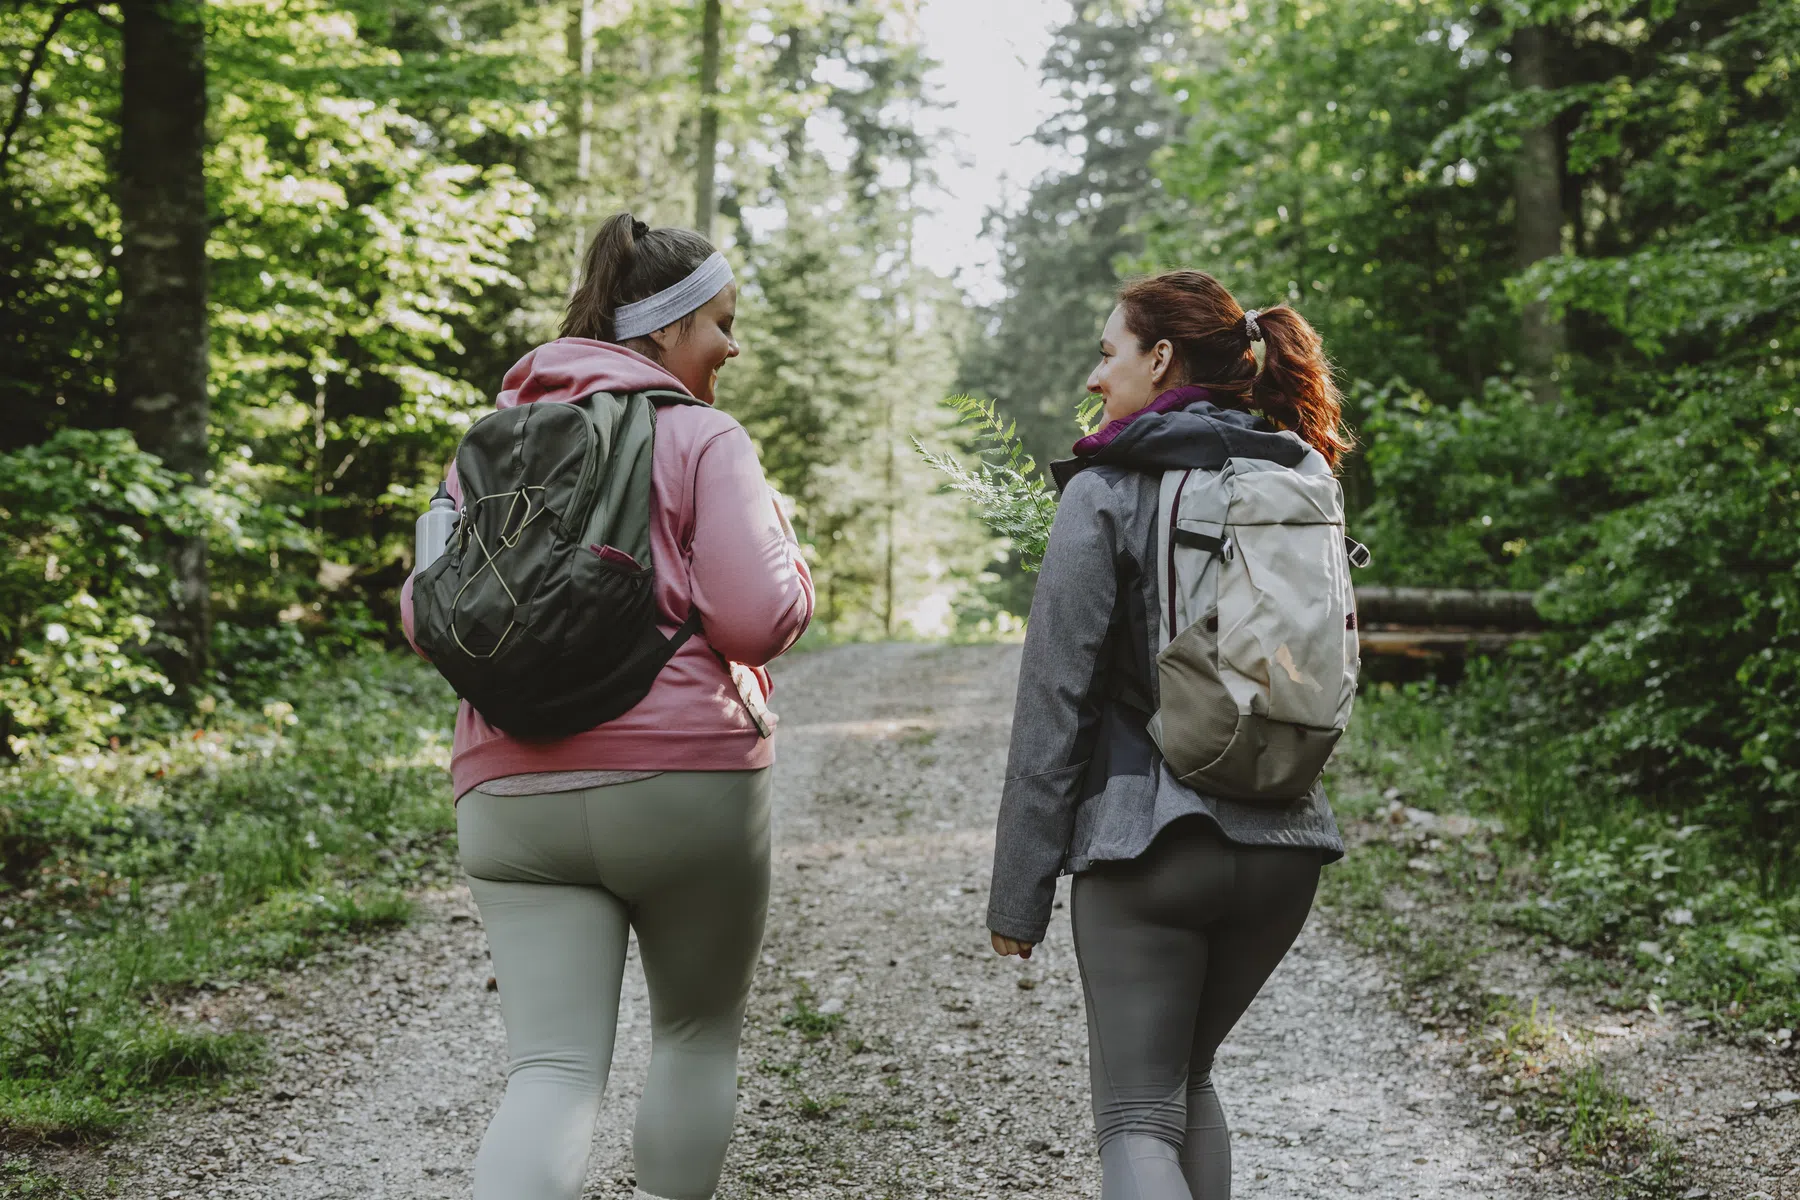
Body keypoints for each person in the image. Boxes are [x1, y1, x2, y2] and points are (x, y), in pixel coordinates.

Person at [400, 212, 814, 1200]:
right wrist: (791, 563)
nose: (732, 344)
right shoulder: (704, 436)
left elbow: (428, 615)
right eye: (719, 321)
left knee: (547, 1071)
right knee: (695, 1038)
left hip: (508, 793)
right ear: (666, 332)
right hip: (685, 782)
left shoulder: (492, 447)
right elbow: (757, 620)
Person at [985, 270, 1351, 1200]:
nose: (1096, 376)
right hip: (1285, 846)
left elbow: (1053, 701)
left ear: (1161, 358)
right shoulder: (1295, 473)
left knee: (1138, 1119)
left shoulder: (1107, 487)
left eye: (1108, 353)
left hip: (1148, 848)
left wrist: (1018, 895)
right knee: (1186, 1083)